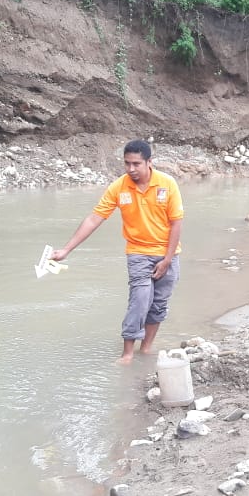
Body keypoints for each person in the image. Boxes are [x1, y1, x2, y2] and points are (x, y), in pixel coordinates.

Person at [52, 140, 184, 364]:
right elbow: (95, 218)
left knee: (159, 303)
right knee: (140, 301)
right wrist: (66, 249)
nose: (131, 169)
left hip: (167, 254)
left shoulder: (167, 184)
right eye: (127, 164)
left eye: (136, 164)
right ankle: (128, 353)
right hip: (138, 253)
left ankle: (147, 349)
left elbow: (176, 223)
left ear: (149, 163)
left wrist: (167, 260)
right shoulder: (119, 187)